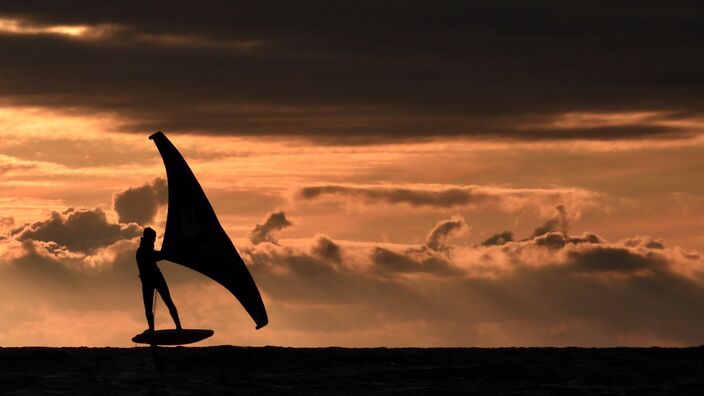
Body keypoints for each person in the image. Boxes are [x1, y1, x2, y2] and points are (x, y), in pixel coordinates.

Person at [136, 227, 182, 331]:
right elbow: (153, 257)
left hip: (156, 278)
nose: (155, 240)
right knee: (149, 308)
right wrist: (165, 254)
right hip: (149, 280)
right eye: (153, 238)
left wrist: (165, 254)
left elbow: (155, 255)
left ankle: (178, 327)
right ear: (148, 237)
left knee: (168, 302)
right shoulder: (142, 251)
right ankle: (152, 329)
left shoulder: (146, 249)